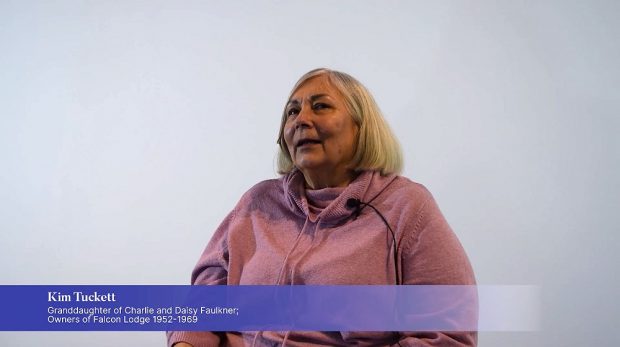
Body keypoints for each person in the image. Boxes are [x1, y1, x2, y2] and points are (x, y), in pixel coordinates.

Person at [168, 68, 477, 346]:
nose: (301, 119)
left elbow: (447, 337)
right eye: (291, 112)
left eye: (320, 106)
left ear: (361, 126)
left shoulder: (407, 208)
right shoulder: (256, 203)